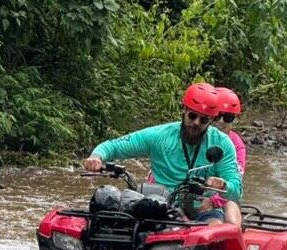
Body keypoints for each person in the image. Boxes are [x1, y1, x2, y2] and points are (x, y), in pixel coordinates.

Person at [83, 83, 242, 225]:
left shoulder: (222, 143)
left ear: (211, 120)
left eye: (203, 120)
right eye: (192, 116)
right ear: (184, 110)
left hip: (201, 208)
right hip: (161, 205)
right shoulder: (159, 136)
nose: (196, 123)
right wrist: (97, 156)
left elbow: (236, 188)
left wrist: (223, 185)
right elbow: (115, 146)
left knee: (214, 229)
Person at [197, 87, 246, 227]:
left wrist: (213, 201)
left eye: (228, 117)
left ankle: (232, 239)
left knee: (230, 210)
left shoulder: (236, 145)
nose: (222, 122)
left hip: (221, 196)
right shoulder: (193, 135)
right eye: (218, 116)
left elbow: (236, 180)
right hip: (191, 193)